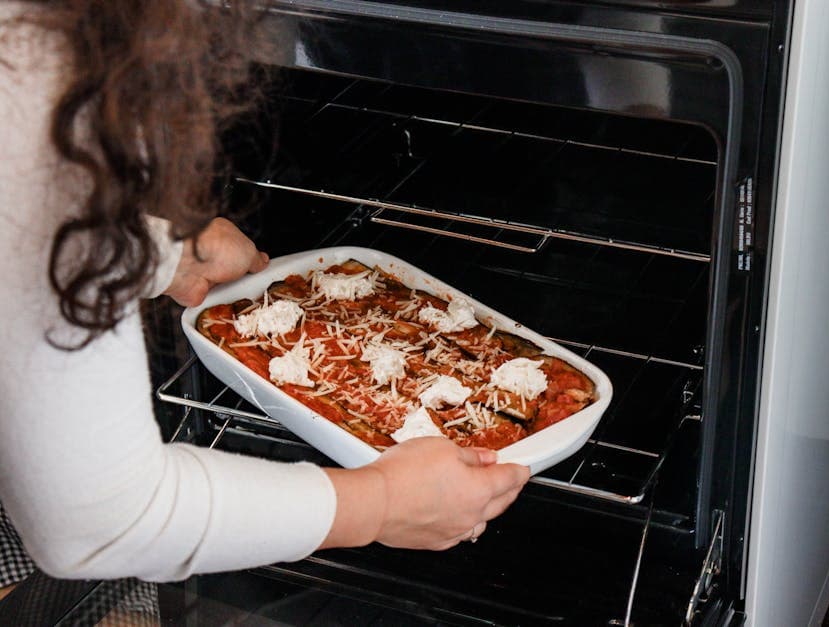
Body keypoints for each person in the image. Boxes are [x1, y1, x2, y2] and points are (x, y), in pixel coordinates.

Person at [0, 0, 529, 593]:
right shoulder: (31, 66)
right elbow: (96, 519)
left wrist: (164, 253)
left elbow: (19, 229)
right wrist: (381, 502)